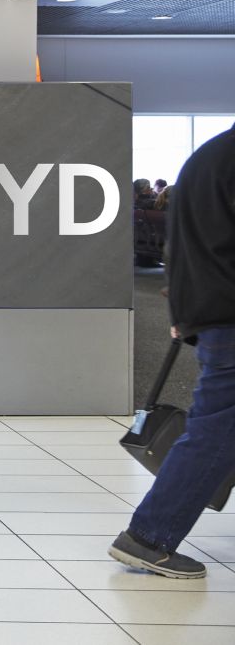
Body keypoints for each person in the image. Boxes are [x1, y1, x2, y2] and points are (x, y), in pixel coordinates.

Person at [109, 121, 235, 579]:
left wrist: (184, 309)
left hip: (212, 311)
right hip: (229, 315)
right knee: (217, 431)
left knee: (217, 426)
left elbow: (179, 246)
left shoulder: (206, 157)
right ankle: (150, 536)